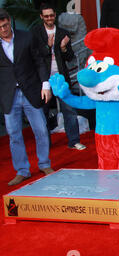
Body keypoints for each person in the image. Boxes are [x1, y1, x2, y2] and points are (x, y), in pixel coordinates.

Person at [0, 9, 54, 186]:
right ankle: (22, 170)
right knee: (14, 134)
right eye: (0, 27)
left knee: (41, 129)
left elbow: (39, 61)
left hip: (31, 90)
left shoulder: (26, 37)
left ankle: (45, 163)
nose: (3, 29)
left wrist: (45, 84)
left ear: (10, 21)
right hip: (9, 95)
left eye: (5, 25)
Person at [31, 3, 86, 151]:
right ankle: (45, 145)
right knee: (43, 111)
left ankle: (74, 141)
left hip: (62, 77)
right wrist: (48, 47)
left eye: (52, 15)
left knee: (70, 109)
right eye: (46, 16)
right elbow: (34, 56)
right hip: (44, 79)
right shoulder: (36, 33)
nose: (49, 18)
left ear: (55, 15)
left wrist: (62, 48)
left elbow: (70, 58)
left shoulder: (63, 33)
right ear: (41, 17)